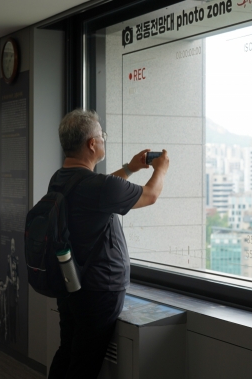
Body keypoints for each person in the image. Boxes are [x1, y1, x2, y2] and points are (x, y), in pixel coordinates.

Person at [47, 109, 169, 379]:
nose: (104, 138)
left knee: (67, 351)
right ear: (92, 143)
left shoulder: (59, 179)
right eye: (102, 135)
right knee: (83, 365)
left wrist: (130, 168)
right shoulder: (97, 186)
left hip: (69, 283)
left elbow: (102, 188)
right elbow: (150, 195)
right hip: (98, 289)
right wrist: (161, 169)